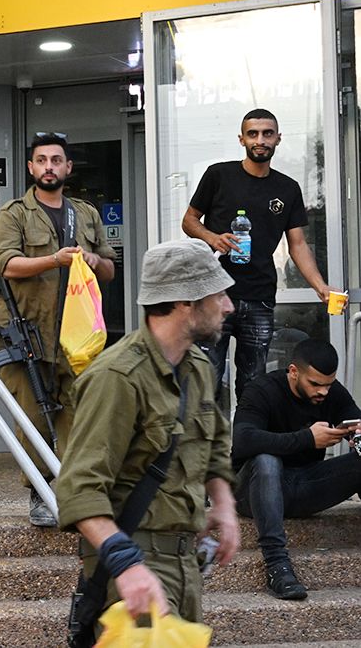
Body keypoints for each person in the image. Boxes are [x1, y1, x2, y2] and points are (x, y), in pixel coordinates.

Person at [56, 238, 240, 626]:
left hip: (186, 560)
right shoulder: (117, 376)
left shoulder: (198, 368)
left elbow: (217, 444)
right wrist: (127, 566)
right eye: (219, 294)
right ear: (186, 302)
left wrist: (223, 505)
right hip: (134, 556)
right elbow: (78, 488)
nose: (228, 306)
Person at [0, 132, 116, 527]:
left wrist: (93, 260)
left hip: (77, 335)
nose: (49, 167)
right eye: (41, 160)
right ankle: (40, 494)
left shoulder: (86, 213)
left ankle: (74, 493)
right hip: (26, 332)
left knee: (78, 418)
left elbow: (112, 268)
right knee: (32, 419)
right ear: (31, 168)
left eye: (56, 160)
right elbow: (6, 265)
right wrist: (55, 260)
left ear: (67, 168)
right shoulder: (14, 212)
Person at [183, 108, 335, 411]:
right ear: (242, 139)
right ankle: (204, 457)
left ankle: (244, 455)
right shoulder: (219, 175)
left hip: (259, 298)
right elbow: (189, 221)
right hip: (215, 295)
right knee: (205, 381)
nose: (260, 140)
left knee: (253, 385)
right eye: (253, 133)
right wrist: (213, 238)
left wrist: (321, 286)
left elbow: (298, 245)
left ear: (278, 138)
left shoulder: (287, 188)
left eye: (267, 133)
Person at [231, 338, 361, 600]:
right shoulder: (262, 390)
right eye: (315, 384)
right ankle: (277, 566)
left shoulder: (330, 392)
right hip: (251, 491)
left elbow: (353, 418)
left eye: (328, 384)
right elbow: (243, 440)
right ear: (293, 372)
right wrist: (307, 439)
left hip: (303, 487)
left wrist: (356, 433)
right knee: (266, 460)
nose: (323, 392)